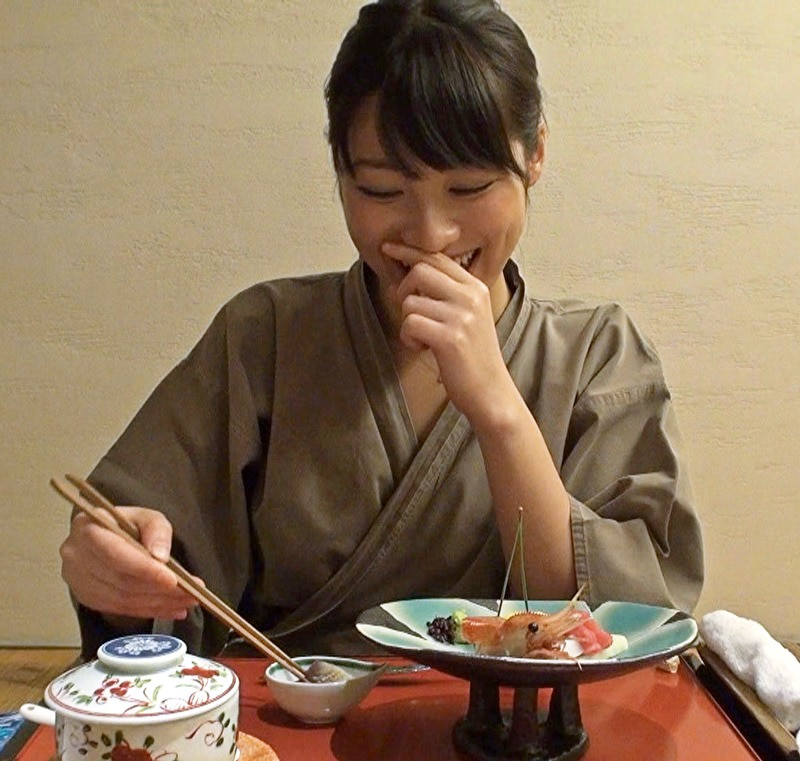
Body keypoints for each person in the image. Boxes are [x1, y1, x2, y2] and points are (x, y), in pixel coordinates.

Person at [60, 0, 704, 659]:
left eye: (469, 187)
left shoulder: (600, 353)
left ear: (535, 152)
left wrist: (498, 408)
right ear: (340, 171)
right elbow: (144, 551)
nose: (431, 234)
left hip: (520, 718)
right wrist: (111, 569)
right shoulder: (266, 337)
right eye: (381, 190)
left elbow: (624, 626)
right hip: (290, 708)